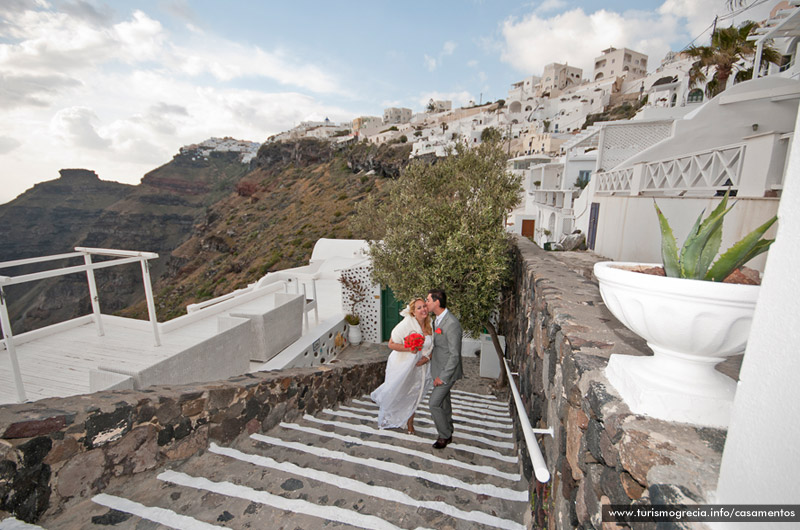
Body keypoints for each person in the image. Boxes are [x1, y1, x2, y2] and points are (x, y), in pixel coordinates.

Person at [370, 298, 433, 434]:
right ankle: (390, 416)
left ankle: (410, 422)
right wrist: (410, 348)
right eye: (419, 308)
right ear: (413, 312)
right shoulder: (406, 325)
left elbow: (434, 346)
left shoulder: (430, 324)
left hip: (421, 368)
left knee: (414, 395)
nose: (423, 309)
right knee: (399, 392)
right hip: (403, 366)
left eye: (424, 306)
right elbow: (391, 344)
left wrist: (427, 358)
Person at [425, 288, 463, 449]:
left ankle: (444, 435)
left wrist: (443, 376)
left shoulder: (452, 323)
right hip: (438, 368)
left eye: (428, 300)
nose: (426, 303)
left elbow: (455, 355)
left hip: (447, 371)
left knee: (434, 403)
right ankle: (449, 428)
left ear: (437, 302)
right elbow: (439, 346)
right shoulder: (437, 320)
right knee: (444, 402)